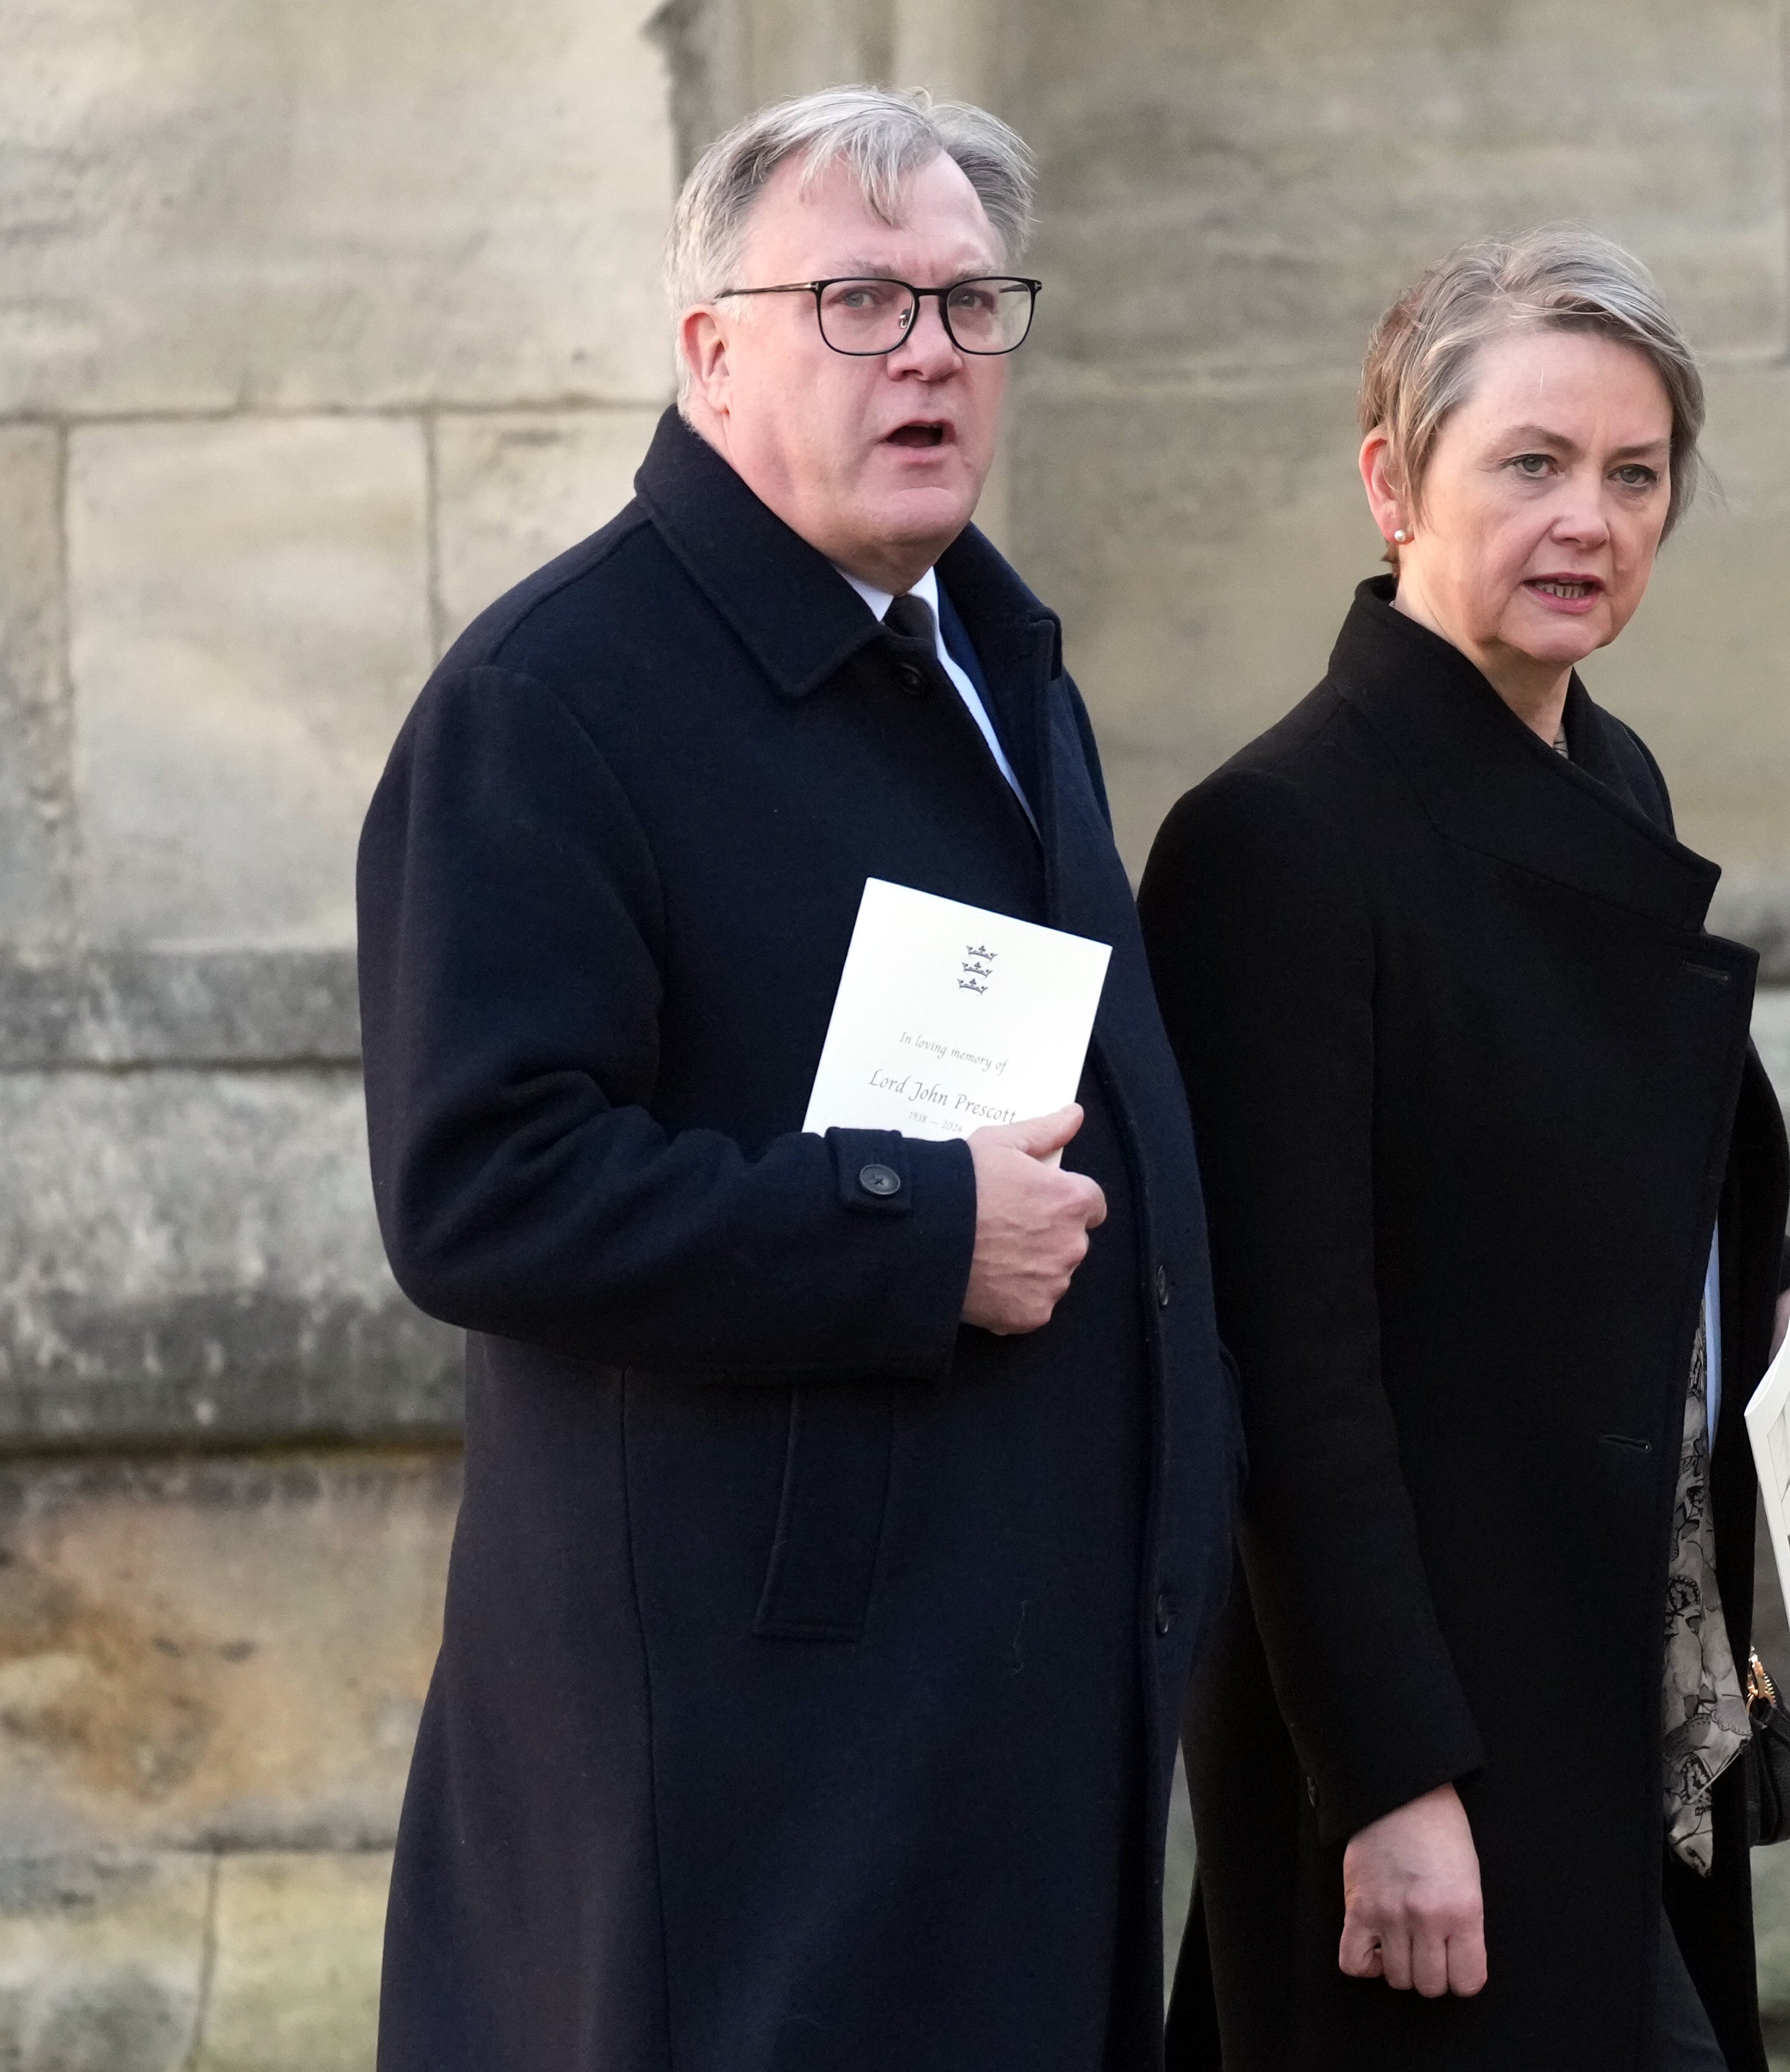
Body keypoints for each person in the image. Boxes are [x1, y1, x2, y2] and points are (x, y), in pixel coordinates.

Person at [354, 87, 1231, 2072]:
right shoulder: (549, 700)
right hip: (757, 1768)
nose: (928, 350)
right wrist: (918, 1233)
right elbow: (479, 1182)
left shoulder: (1004, 668)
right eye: (857, 302)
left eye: (967, 304)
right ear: (712, 348)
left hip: (1013, 1704)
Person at [1143, 228, 1790, 2072]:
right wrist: (1390, 1782)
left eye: (1634, 476)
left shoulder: (1606, 777)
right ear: (1395, 480)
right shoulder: (1275, 840)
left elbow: (1614, 1203)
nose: (1592, 521)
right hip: (1427, 1750)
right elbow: (1288, 1373)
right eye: (1534, 466)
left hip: (1612, 1705)